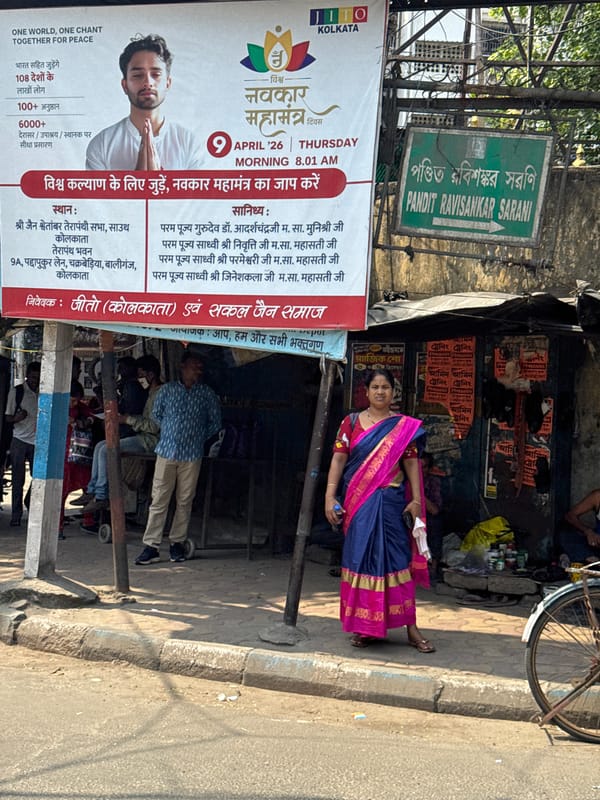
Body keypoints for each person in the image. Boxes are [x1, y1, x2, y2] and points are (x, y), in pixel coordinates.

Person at [324, 367, 435, 652]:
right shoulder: (350, 423)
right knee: (360, 560)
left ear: (393, 392)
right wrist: (329, 496)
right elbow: (338, 460)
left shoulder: (402, 427)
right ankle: (366, 627)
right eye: (375, 387)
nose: (380, 392)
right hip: (359, 505)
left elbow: (411, 464)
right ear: (367, 391)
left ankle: (411, 627)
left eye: (385, 387)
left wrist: (417, 500)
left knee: (398, 562)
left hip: (391, 505)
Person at [134, 351, 221, 565]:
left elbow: (215, 423)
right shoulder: (168, 390)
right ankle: (151, 546)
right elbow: (156, 415)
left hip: (192, 455)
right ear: (183, 367)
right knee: (159, 499)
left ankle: (177, 543)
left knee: (185, 501)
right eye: (194, 366)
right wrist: (171, 431)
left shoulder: (206, 394)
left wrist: (197, 437)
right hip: (166, 451)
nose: (198, 370)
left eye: (200, 367)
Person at [86, 34, 203, 171]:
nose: (148, 82)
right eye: (138, 75)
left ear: (168, 83)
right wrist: (138, 178)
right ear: (125, 85)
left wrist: (156, 178)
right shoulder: (102, 144)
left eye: (156, 75)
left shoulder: (188, 143)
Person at [74, 355, 161, 514]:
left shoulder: (159, 394)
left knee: (106, 450)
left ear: (151, 374)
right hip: (142, 435)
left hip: (150, 440)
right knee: (100, 447)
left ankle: (101, 496)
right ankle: (92, 490)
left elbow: (154, 426)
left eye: (141, 375)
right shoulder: (149, 392)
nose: (139, 379)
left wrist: (127, 419)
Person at [5, 361, 41, 527]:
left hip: (37, 441)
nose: (35, 381)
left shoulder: (43, 392)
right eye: (33, 377)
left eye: (38, 378)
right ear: (27, 376)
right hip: (19, 439)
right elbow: (7, 417)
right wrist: (17, 418)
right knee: (18, 479)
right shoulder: (17, 392)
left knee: (39, 478)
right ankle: (16, 515)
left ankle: (29, 501)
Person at [59, 381, 95, 539]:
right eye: (72, 400)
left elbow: (92, 417)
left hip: (80, 455)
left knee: (88, 487)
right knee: (61, 492)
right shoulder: (57, 409)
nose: (75, 404)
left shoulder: (81, 408)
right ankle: (59, 526)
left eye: (77, 401)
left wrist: (86, 422)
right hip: (63, 456)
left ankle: (89, 520)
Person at [421, 451, 444, 582]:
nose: (420, 471)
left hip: (429, 519)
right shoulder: (404, 482)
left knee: (435, 523)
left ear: (429, 469)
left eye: (424, 467)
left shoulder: (433, 482)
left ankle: (433, 569)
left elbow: (434, 510)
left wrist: (418, 494)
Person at [562, 488, 600, 565]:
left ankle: (586, 559)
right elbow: (570, 515)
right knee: (565, 536)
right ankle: (591, 559)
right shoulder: (597, 496)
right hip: (596, 545)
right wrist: (588, 531)